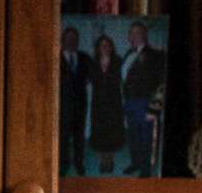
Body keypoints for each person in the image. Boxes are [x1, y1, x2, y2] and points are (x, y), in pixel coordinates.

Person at [119, 20, 166, 177]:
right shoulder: (127, 54)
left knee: (146, 138)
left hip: (146, 103)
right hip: (129, 103)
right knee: (132, 136)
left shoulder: (156, 55)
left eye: (137, 32)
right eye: (131, 33)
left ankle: (146, 170)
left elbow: (161, 84)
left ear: (144, 35)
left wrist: (154, 108)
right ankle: (135, 163)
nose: (133, 35)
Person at [84, 32, 127, 175]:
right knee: (100, 133)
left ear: (111, 47)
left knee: (112, 133)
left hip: (114, 104)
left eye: (108, 45)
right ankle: (103, 161)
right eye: (102, 45)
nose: (105, 47)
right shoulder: (92, 63)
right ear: (98, 48)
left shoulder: (119, 61)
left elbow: (126, 81)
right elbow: (87, 80)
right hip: (98, 104)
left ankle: (110, 160)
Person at [58, 25, 89, 173]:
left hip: (80, 106)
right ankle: (63, 165)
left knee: (79, 138)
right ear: (63, 40)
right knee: (62, 138)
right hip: (62, 106)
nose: (72, 42)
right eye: (69, 39)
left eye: (74, 39)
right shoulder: (55, 58)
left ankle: (79, 163)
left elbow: (93, 76)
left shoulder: (84, 57)